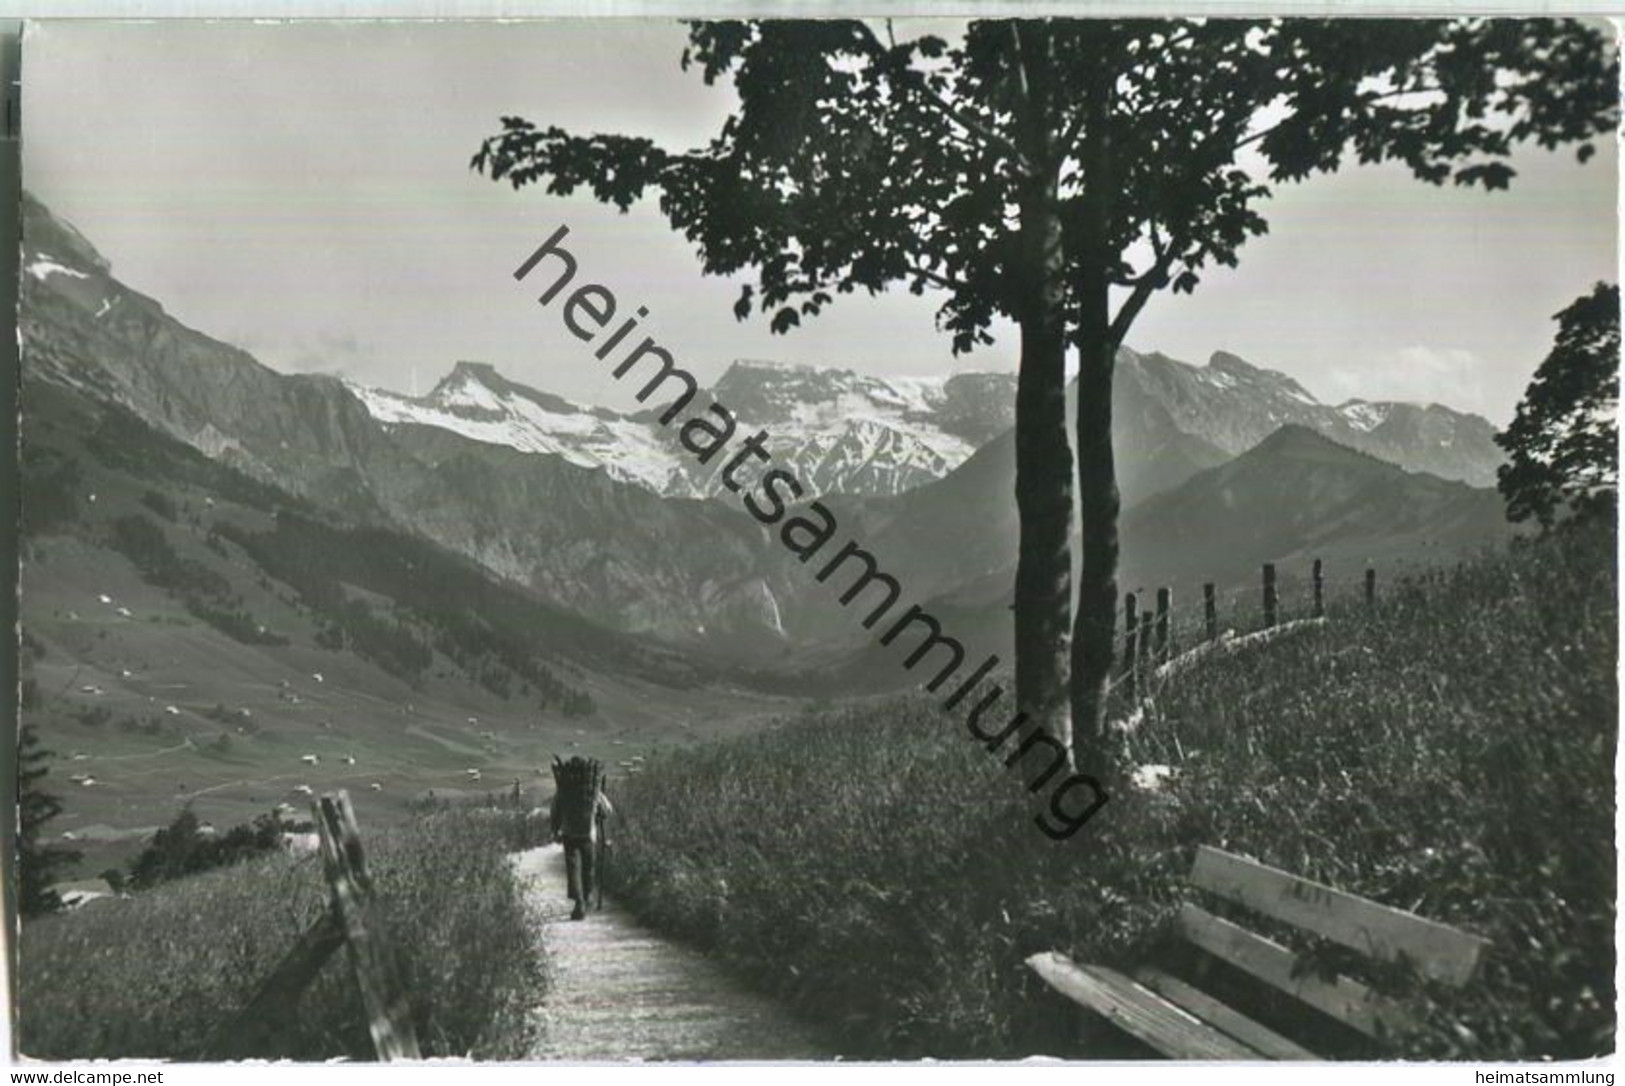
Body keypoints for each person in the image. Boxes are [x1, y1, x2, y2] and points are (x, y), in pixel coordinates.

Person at [549, 767, 614, 921]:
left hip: (569, 834)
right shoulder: (593, 789)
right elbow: (608, 810)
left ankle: (579, 902)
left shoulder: (563, 790)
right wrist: (599, 815)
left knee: (573, 869)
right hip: (588, 835)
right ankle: (587, 896)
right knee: (588, 867)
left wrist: (555, 829)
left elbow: (554, 811)